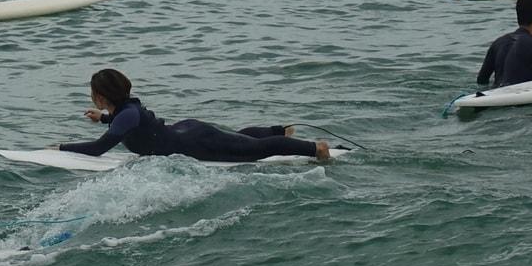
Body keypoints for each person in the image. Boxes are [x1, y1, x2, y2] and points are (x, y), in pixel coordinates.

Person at [51, 69, 329, 162]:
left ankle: (314, 148)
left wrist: (61, 148)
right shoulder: (123, 111)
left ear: (100, 97)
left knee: (251, 151)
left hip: (192, 143)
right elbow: (127, 125)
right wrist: (102, 118)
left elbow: (100, 148)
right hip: (186, 133)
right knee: (236, 140)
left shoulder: (125, 115)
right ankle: (278, 130)